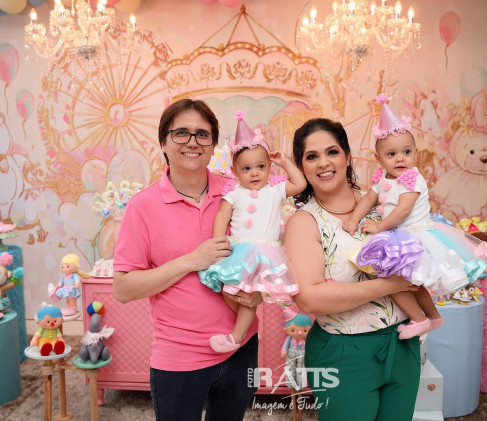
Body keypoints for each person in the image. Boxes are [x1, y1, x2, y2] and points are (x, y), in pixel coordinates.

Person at [113, 99, 261, 421]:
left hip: (242, 346)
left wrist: (260, 291)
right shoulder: (142, 206)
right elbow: (123, 289)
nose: (192, 142)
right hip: (179, 357)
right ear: (163, 143)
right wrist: (190, 261)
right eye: (181, 133)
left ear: (213, 145)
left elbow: (264, 248)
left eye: (202, 134)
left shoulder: (238, 192)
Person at [284, 117, 422, 420]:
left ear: (347, 156)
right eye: (312, 156)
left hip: (402, 344)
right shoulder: (304, 222)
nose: (324, 163)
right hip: (343, 353)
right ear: (301, 166)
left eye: (332, 152)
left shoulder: (385, 204)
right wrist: (391, 285)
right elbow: (309, 298)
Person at [342, 94, 487, 339]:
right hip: (398, 234)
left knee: (390, 279)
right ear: (379, 159)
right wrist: (353, 219)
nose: (400, 158)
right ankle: (434, 318)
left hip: (415, 235)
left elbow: (403, 210)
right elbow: (368, 199)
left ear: (415, 153)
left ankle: (419, 319)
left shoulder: (412, 178)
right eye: (391, 154)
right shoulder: (381, 178)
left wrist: (379, 228)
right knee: (411, 282)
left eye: (406, 152)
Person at [199, 110, 306, 353]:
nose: (255, 173)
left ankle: (236, 337)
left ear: (269, 167)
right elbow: (222, 215)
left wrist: (285, 162)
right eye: (246, 168)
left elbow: (300, 184)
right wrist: (218, 242)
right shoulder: (234, 192)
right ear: (236, 171)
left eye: (260, 166)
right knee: (230, 289)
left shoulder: (274, 190)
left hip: (264, 253)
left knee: (248, 294)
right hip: (238, 249)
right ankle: (243, 328)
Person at [48, 253, 90, 318]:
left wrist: (77, 283)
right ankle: (67, 307)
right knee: (67, 299)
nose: (64, 269)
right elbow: (61, 282)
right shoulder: (63, 276)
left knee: (72, 299)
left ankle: (73, 309)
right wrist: (58, 285)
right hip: (65, 289)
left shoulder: (74, 275)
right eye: (62, 267)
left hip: (72, 289)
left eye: (67, 266)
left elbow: (77, 280)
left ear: (75, 267)